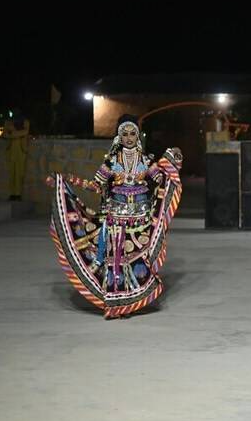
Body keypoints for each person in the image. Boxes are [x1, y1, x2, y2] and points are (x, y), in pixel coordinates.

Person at [48, 116, 183, 319]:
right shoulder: (111, 162)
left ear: (138, 136)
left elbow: (161, 180)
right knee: (116, 261)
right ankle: (115, 305)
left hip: (140, 220)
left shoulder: (145, 161)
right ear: (119, 137)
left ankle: (131, 303)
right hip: (115, 219)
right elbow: (95, 186)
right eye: (125, 134)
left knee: (137, 259)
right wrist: (67, 178)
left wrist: (171, 161)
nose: (129, 138)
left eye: (132, 133)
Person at [2, 110, 30, 201]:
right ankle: (12, 193)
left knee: (19, 172)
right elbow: (5, 134)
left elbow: (25, 132)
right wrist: (15, 133)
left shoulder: (25, 122)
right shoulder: (8, 122)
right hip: (11, 150)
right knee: (11, 172)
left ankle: (18, 194)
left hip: (21, 150)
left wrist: (13, 132)